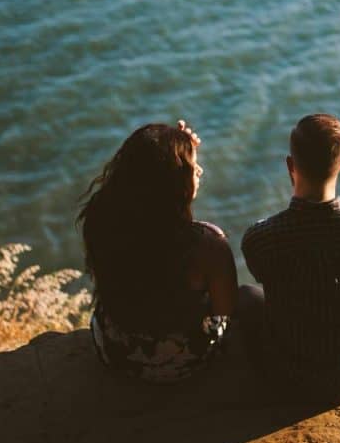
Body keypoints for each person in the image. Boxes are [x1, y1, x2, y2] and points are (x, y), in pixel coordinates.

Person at [240, 113, 340, 405]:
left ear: (290, 166)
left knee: (246, 295)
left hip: (286, 379)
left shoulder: (260, 238)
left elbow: (264, 276)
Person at [77, 121, 238, 383]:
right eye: (192, 167)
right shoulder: (207, 244)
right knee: (250, 298)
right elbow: (226, 310)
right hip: (183, 364)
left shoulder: (101, 221)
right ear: (177, 184)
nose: (200, 170)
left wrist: (175, 145)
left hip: (115, 352)